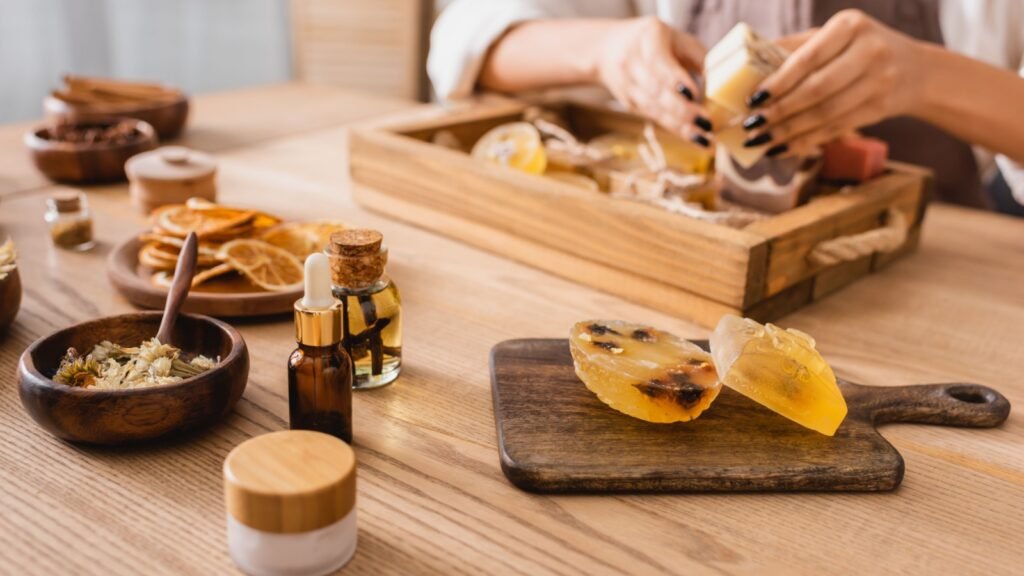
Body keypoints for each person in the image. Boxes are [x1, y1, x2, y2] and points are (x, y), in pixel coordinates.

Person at [428, 0, 1024, 213]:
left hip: (938, 267)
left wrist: (923, 77)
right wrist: (606, 49)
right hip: (700, 250)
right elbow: (466, 40)